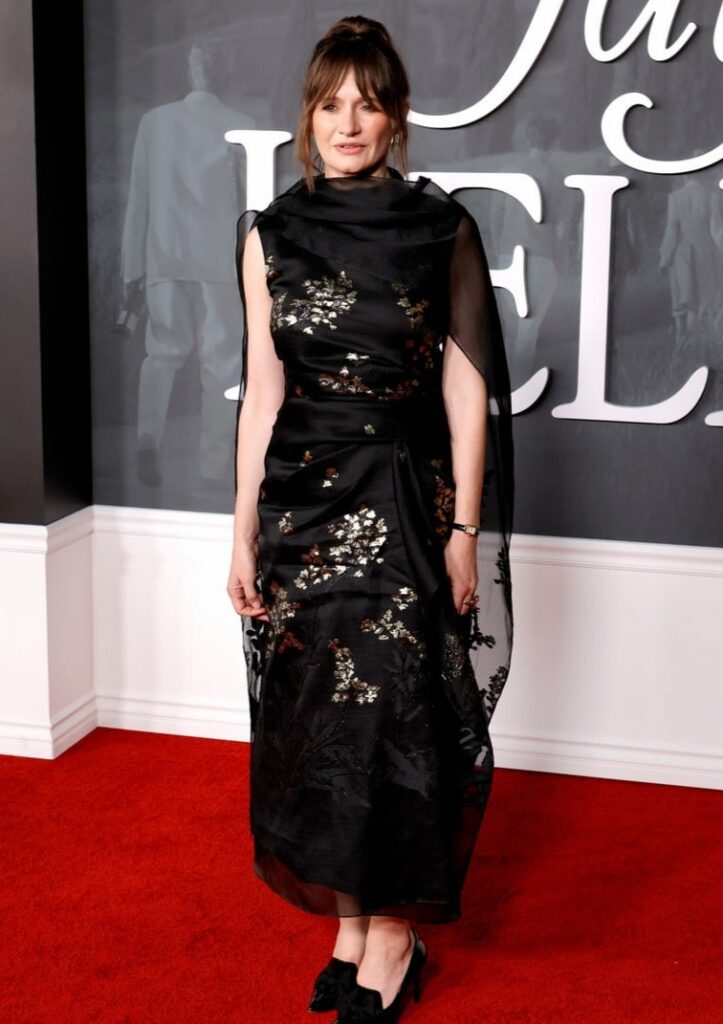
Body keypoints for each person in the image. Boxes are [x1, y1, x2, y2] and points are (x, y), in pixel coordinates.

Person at [227, 16, 514, 1023]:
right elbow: (262, 393)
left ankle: (393, 935)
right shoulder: (270, 232)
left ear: (397, 116)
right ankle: (351, 923)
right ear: (307, 115)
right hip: (300, 508)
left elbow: (466, 390)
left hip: (399, 501)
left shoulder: (442, 228)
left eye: (368, 103)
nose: (347, 122)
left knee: (395, 714)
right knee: (318, 717)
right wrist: (241, 531)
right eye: (329, 103)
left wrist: (463, 529)